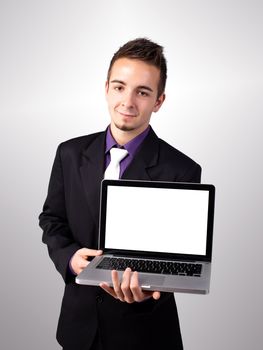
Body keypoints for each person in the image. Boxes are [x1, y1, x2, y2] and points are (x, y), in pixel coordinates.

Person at [39, 38, 201, 350]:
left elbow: (177, 262)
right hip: (79, 330)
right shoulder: (69, 153)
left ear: (158, 101)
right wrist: (69, 258)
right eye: (119, 87)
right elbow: (52, 220)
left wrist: (146, 292)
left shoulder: (182, 170)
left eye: (142, 92)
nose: (127, 101)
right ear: (106, 88)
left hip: (145, 334)